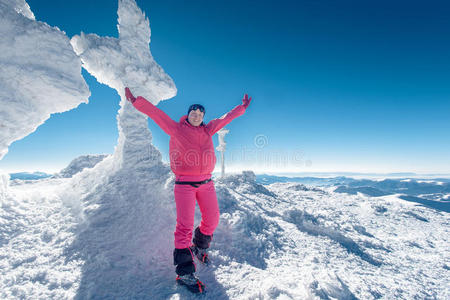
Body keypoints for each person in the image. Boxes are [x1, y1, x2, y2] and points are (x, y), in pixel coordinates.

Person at [125, 87, 252, 293]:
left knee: (212, 219)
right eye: (194, 112)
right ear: (188, 114)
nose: (197, 115)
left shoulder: (208, 129)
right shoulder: (176, 128)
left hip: (206, 183)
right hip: (184, 184)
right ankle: (184, 272)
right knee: (184, 226)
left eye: (200, 114)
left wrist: (242, 108)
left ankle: (200, 246)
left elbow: (225, 118)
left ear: (203, 117)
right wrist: (136, 101)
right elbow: (156, 114)